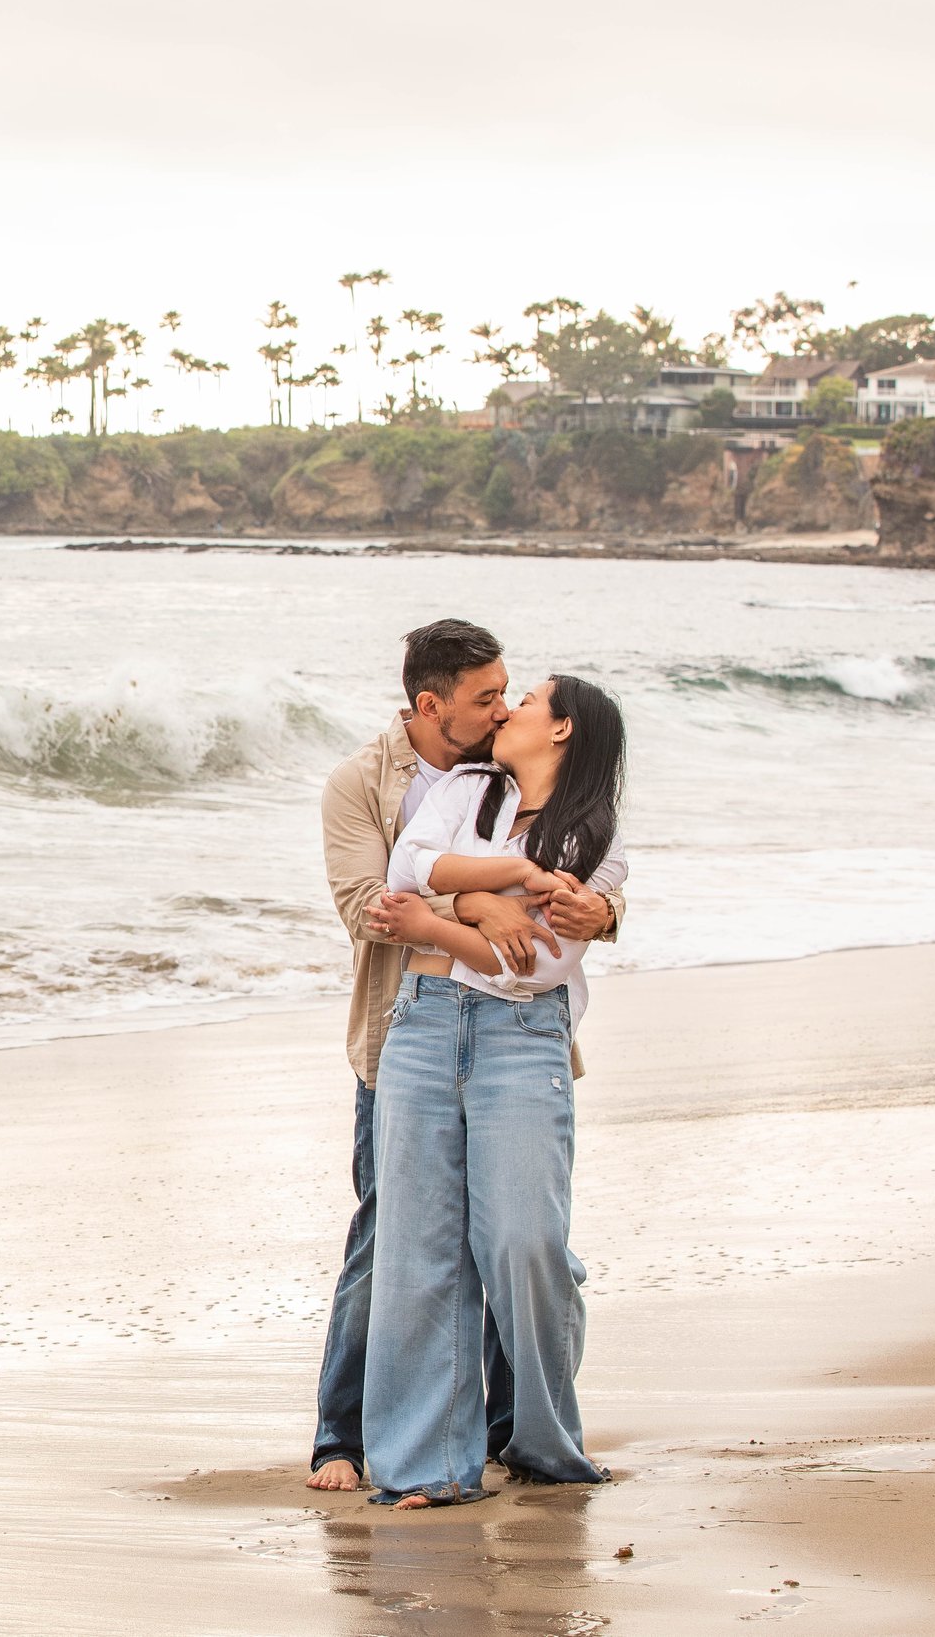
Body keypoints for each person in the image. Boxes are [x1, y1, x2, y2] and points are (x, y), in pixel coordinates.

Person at [307, 624, 624, 1493]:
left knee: (522, 1241)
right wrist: (491, 898)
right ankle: (371, 1446)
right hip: (406, 1025)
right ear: (429, 705)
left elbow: (553, 944)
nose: (502, 707)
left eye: (514, 695)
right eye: (489, 697)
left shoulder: (556, 811)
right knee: (405, 1244)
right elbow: (384, 892)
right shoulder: (379, 786)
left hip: (521, 1034)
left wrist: (586, 907)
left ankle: (526, 1435)